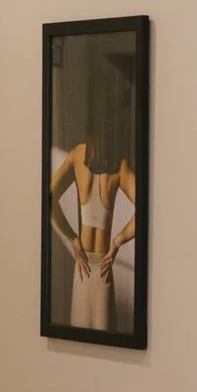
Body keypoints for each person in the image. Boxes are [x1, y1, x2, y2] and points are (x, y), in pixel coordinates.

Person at [47, 127, 140, 333]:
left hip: (84, 267)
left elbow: (49, 197)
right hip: (99, 268)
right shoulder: (119, 164)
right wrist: (117, 241)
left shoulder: (77, 155)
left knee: (81, 344)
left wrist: (73, 238)